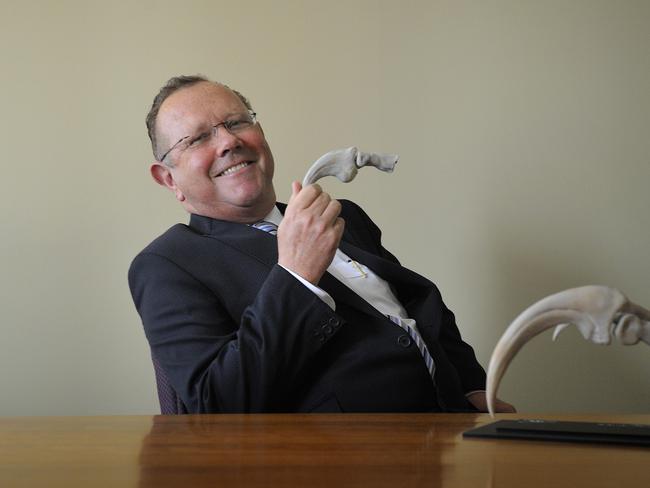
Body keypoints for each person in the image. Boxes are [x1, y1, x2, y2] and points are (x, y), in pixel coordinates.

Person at [129, 75, 515, 414]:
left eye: (236, 122)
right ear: (168, 179)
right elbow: (219, 404)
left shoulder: (343, 215)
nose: (229, 141)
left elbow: (416, 306)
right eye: (198, 138)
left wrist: (470, 385)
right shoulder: (167, 264)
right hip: (336, 461)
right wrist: (296, 275)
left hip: (450, 428)